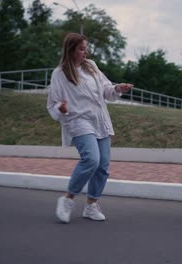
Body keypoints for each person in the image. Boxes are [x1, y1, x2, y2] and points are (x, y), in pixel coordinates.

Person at [46, 33, 133, 223]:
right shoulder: (59, 74)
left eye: (86, 48)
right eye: (81, 49)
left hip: (99, 119)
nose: (86, 52)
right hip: (78, 121)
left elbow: (106, 89)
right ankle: (67, 200)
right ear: (71, 50)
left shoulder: (91, 66)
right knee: (91, 159)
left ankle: (91, 205)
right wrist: (60, 108)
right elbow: (52, 103)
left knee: (103, 166)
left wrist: (118, 88)